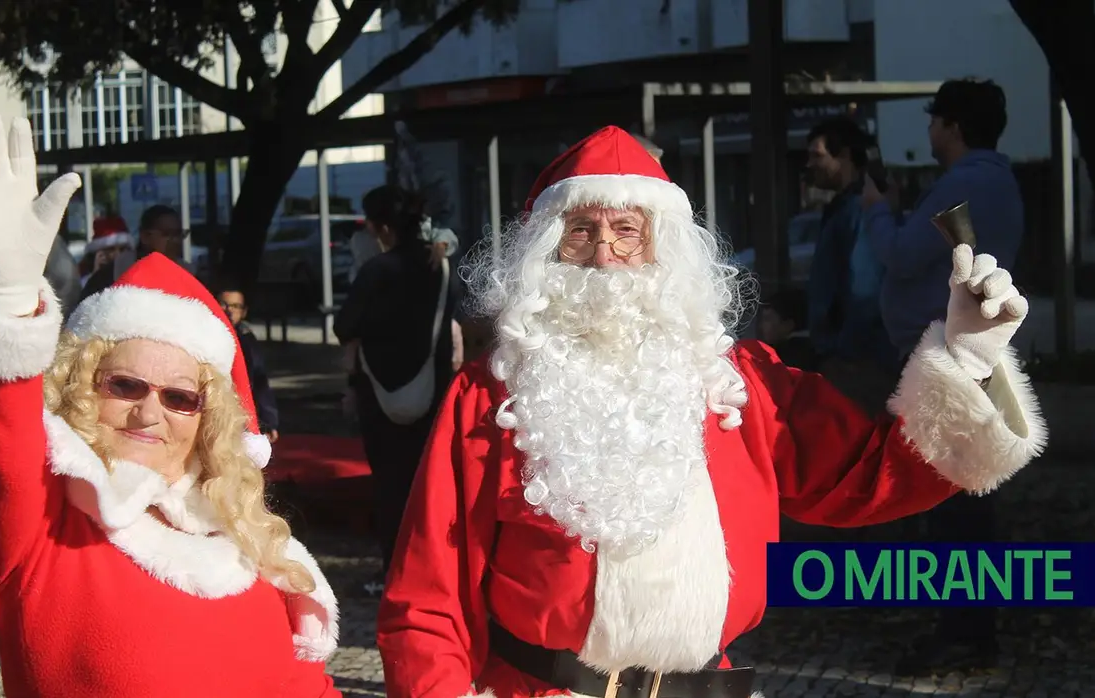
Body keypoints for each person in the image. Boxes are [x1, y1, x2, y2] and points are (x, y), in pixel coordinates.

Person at [375, 126, 1046, 698]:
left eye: (627, 230)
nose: (605, 253)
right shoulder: (490, 398)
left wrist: (966, 361)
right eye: (581, 231)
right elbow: (427, 599)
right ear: (546, 252)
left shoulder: (741, 385)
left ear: (665, 249)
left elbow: (872, 475)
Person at [0, 112, 340, 698]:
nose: (150, 413)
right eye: (124, 385)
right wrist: (7, 300)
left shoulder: (243, 538)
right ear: (81, 386)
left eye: (180, 398)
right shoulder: (45, 524)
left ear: (210, 418)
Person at [862, 78, 1024, 673]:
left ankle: (964, 630)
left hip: (951, 364)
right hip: (975, 363)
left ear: (953, 126)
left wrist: (879, 214)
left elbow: (904, 254)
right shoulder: (1001, 181)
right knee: (965, 499)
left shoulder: (962, 184)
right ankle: (969, 626)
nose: (929, 132)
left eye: (935, 122)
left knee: (953, 504)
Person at [333, 185, 463, 595]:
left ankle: (393, 570)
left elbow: (344, 326)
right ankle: (432, 568)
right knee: (429, 482)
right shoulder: (439, 266)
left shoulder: (377, 269)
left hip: (381, 394)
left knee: (390, 484)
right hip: (434, 387)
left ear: (381, 227)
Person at [804, 116, 894, 411]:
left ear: (843, 157)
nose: (810, 164)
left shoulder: (857, 210)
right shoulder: (844, 208)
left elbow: (865, 288)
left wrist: (842, 351)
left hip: (858, 362)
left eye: (817, 155)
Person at [79, 204, 190, 301]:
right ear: (145, 236)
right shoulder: (109, 276)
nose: (176, 240)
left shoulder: (190, 275)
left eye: (179, 234)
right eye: (167, 234)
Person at [218, 284, 280, 443]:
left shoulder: (247, 341)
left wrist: (268, 421)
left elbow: (260, 383)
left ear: (244, 311)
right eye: (224, 304)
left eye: (235, 306)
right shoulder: (201, 335)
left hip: (239, 415)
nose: (229, 310)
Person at [757, 288, 816, 371]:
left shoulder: (786, 357)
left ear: (788, 325)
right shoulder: (810, 348)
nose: (761, 326)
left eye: (768, 319)